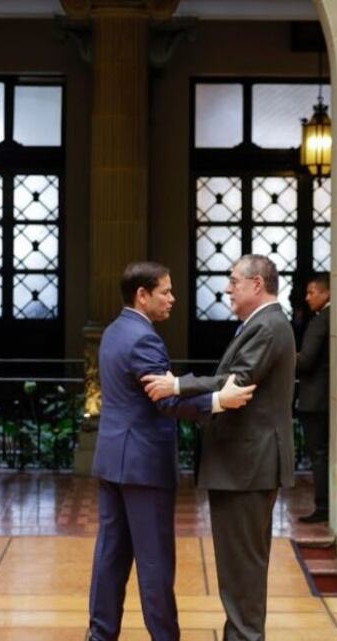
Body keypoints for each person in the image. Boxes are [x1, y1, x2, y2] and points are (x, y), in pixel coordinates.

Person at [87, 261, 256, 641]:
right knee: (155, 564)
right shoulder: (144, 338)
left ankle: (99, 636)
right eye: (165, 291)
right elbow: (163, 400)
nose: (172, 299)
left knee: (110, 559)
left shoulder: (115, 330)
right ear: (141, 295)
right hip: (144, 466)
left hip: (114, 461)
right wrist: (218, 400)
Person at [141, 254, 296, 641]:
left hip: (247, 467)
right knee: (239, 568)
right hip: (245, 466)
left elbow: (236, 383)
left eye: (234, 281)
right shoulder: (262, 324)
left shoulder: (268, 325)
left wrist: (176, 385)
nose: (228, 288)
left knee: (241, 569)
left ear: (257, 284)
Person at [296, 273, 331, 524]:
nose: (307, 298)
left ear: (326, 292)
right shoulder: (333, 318)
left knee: (318, 453)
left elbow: (306, 360)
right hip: (325, 398)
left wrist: (283, 357)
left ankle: (322, 505)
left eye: (312, 292)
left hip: (315, 399)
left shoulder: (320, 321)